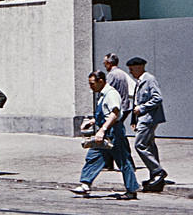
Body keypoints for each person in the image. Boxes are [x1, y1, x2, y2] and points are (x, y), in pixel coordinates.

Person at [69, 71, 140, 199]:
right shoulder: (103, 94)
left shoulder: (111, 94)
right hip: (105, 130)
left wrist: (102, 130)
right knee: (93, 156)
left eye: (92, 84)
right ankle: (85, 184)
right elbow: (105, 114)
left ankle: (131, 190)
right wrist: (92, 122)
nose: (90, 86)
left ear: (101, 81)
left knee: (123, 160)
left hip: (114, 132)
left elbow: (114, 113)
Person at [127, 56, 167, 192]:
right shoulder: (140, 81)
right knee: (150, 144)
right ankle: (155, 176)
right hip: (143, 118)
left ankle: (158, 171)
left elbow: (157, 98)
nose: (131, 72)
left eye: (132, 69)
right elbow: (135, 102)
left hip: (149, 118)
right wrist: (134, 119)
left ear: (139, 67)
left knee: (140, 145)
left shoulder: (149, 79)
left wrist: (142, 108)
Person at [101, 53, 134, 170]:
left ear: (109, 63)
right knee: (116, 134)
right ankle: (114, 162)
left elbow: (106, 91)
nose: (104, 65)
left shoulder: (111, 75)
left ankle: (110, 163)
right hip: (124, 107)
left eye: (105, 63)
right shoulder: (121, 74)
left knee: (111, 135)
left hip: (115, 109)